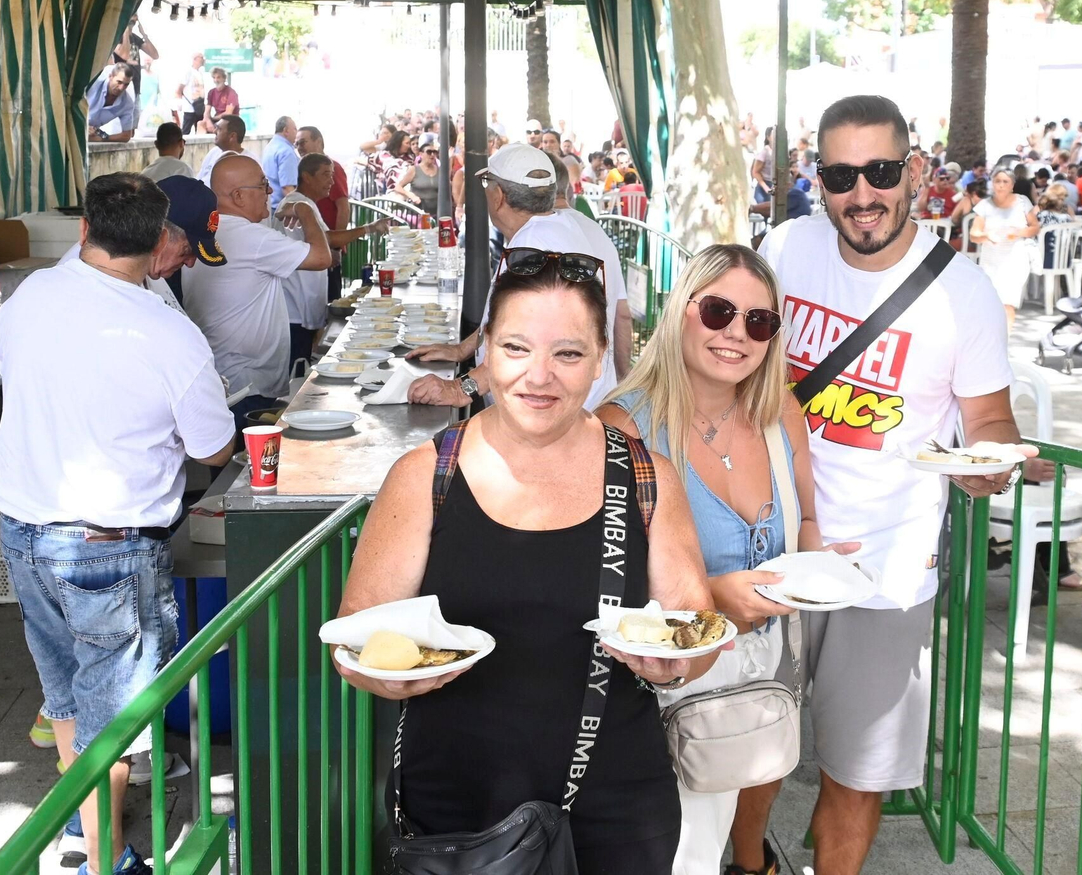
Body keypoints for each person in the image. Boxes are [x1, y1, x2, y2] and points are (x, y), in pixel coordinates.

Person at [337, 254, 717, 875]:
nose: (539, 376)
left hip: (617, 806)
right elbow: (355, 633)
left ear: (600, 358)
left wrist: (674, 664)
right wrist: (383, 677)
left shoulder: (649, 478)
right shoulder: (424, 476)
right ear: (484, 351)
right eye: (515, 348)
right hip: (454, 805)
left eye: (568, 354)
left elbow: (695, 632)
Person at [761, 94, 1036, 875]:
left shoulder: (963, 294)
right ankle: (748, 862)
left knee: (859, 767)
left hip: (886, 564)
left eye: (880, 171)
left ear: (914, 172)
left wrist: (995, 465)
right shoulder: (787, 247)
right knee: (746, 741)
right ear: (818, 179)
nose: (862, 193)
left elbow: (990, 422)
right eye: (842, 175)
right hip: (774, 543)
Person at [0, 172, 237, 875]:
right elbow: (212, 447)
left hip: (24, 529)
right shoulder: (167, 333)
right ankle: (107, 859)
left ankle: (82, 826)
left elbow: (9, 365)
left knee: (67, 694)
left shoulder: (29, 296)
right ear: (160, 240)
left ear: (83, 229)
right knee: (116, 718)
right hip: (108, 544)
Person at [598, 245, 835, 875]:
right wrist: (712, 596)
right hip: (658, 689)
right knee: (673, 850)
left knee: (727, 810)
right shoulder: (623, 429)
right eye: (719, 310)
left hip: (764, 672)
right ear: (682, 312)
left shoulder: (781, 412)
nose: (737, 333)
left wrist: (821, 569)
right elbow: (599, 582)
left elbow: (805, 520)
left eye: (759, 321)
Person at [406, 144, 620, 409]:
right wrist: (464, 349)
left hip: (559, 411)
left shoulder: (534, 246)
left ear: (498, 197)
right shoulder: (550, 229)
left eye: (487, 183)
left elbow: (529, 337)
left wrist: (460, 389)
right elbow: (507, 320)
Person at [183, 155, 334, 405]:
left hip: (224, 374)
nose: (270, 190)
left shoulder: (208, 231)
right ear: (238, 196)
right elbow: (321, 257)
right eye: (263, 184)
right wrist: (303, 208)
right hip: (248, 383)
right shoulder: (252, 237)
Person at [57, 175, 227, 310]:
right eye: (186, 251)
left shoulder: (146, 265)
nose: (190, 263)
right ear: (160, 237)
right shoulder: (95, 275)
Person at [284, 156, 392, 366]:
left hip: (304, 302)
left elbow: (322, 240)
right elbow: (329, 238)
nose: (331, 182)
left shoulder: (307, 204)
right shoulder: (296, 204)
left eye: (332, 176)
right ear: (307, 176)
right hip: (295, 307)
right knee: (296, 367)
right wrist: (369, 228)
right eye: (326, 175)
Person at [546, 151, 634, 376]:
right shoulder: (597, 232)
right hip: (596, 386)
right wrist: (623, 381)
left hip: (561, 389)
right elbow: (622, 314)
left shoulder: (542, 234)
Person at [970, 168, 1040, 328]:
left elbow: (1035, 227)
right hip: (991, 259)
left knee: (1008, 303)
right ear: (992, 184)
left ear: (1012, 185)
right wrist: (986, 236)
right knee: (990, 302)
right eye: (997, 181)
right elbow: (974, 233)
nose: (1001, 185)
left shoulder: (1022, 202)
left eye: (1005, 182)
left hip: (1015, 258)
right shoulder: (984, 205)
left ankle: (1005, 338)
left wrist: (1018, 233)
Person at [86, 63, 137, 144]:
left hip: (91, 135)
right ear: (110, 77)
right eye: (119, 82)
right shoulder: (93, 84)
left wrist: (102, 138)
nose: (121, 88)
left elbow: (126, 136)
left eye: (126, 84)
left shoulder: (127, 103)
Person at [394, 139, 444, 216]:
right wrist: (411, 195)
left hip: (436, 212)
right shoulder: (414, 170)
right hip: (418, 212)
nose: (432, 155)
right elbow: (398, 187)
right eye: (429, 152)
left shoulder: (440, 170)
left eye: (435, 152)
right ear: (421, 154)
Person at [261, 116, 301, 210]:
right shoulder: (286, 151)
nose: (296, 132)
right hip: (283, 209)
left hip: (270, 206)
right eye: (295, 129)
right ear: (286, 131)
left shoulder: (270, 147)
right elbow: (288, 188)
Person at [197, 114, 247, 184]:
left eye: (219, 129)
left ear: (232, 136)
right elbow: (199, 179)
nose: (214, 131)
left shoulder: (249, 161)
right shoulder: (213, 152)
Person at [200, 68, 239, 133]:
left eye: (218, 77)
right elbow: (206, 112)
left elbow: (228, 114)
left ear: (224, 78)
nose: (216, 80)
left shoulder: (231, 92)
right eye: (214, 77)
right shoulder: (211, 92)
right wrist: (208, 120)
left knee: (220, 125)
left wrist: (213, 118)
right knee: (200, 124)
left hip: (230, 121)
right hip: (217, 120)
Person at [176, 52, 207, 133]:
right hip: (189, 106)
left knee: (200, 129)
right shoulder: (188, 72)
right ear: (195, 59)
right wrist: (179, 103)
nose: (202, 60)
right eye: (200, 58)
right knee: (186, 130)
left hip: (199, 106)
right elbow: (179, 89)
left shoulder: (200, 73)